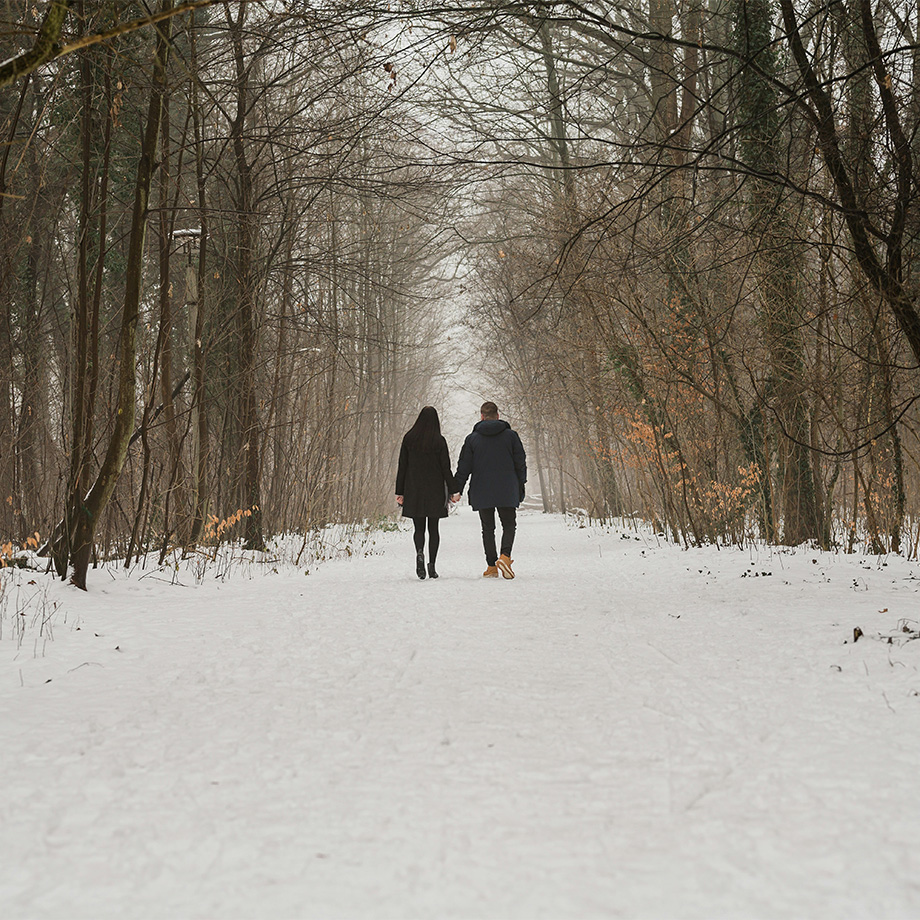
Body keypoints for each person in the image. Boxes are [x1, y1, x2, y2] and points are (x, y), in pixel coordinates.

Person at [453, 401, 527, 579]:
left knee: (488, 528)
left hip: (482, 488)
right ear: (498, 416)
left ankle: (492, 567)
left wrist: (457, 489)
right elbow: (520, 463)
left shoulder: (472, 439)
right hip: (507, 487)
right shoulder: (511, 436)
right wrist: (520, 484)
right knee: (509, 524)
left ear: (481, 416)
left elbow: (464, 467)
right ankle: (505, 556)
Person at [395, 406, 458, 580]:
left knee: (419, 528)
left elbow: (403, 466)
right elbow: (446, 469)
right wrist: (454, 490)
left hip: (414, 489)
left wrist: (399, 491)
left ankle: (420, 554)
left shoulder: (409, 439)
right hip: (435, 490)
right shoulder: (439, 441)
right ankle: (432, 566)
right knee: (434, 529)